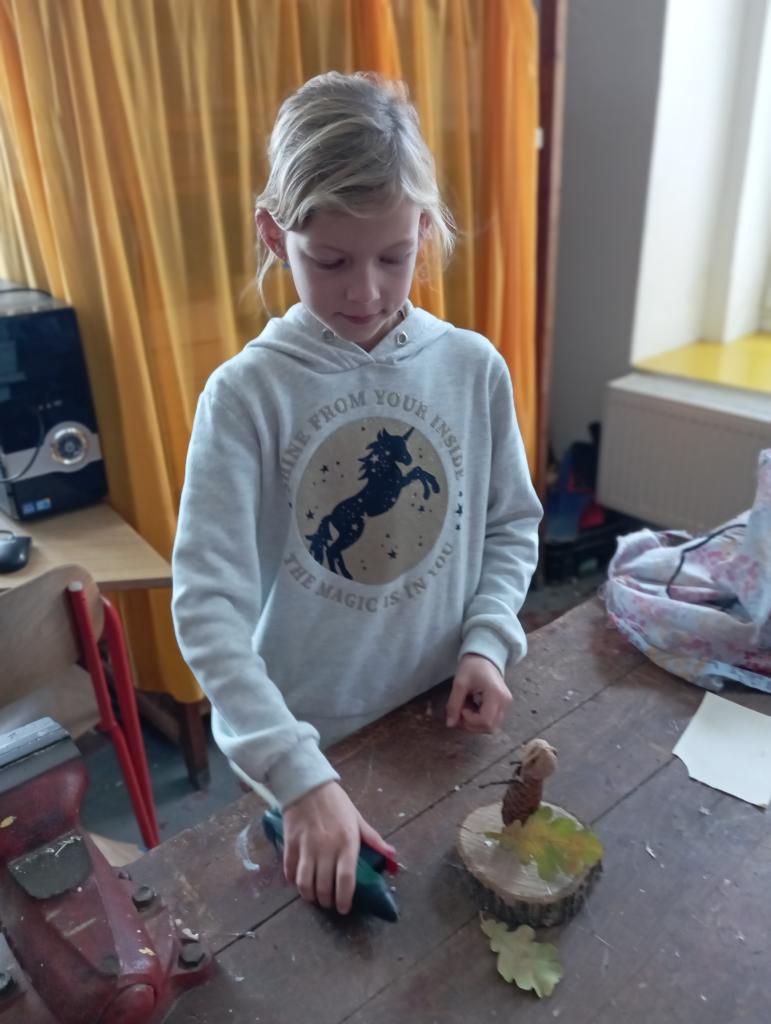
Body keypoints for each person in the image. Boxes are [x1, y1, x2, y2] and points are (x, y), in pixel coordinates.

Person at [172, 71, 542, 917]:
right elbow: (207, 607)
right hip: (301, 746)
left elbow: (510, 527)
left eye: (393, 258)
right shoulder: (246, 395)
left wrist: (487, 640)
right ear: (275, 235)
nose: (365, 292)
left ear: (423, 231)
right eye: (330, 261)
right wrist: (297, 774)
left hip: (439, 716)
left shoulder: (471, 368)